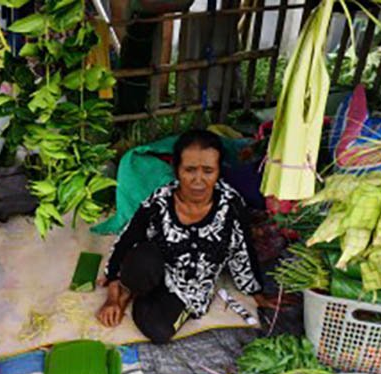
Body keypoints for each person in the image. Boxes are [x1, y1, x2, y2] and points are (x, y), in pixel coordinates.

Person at [96, 129, 270, 343]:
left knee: (159, 331)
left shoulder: (231, 206)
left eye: (208, 170)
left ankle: (142, 296)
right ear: (177, 170)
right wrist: (112, 296)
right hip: (155, 264)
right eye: (190, 170)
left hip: (189, 288)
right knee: (141, 259)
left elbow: (244, 252)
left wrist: (258, 294)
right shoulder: (159, 201)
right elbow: (126, 241)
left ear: (218, 171)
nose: (198, 180)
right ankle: (127, 292)